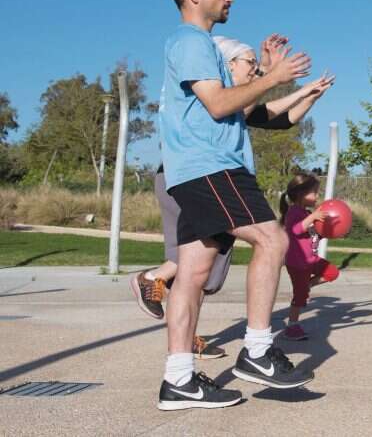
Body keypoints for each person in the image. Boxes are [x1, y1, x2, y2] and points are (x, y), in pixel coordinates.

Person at [157, 0, 315, 411]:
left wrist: (264, 73)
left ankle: (179, 380)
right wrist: (272, 78)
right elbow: (217, 104)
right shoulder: (191, 41)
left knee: (192, 274)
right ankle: (258, 350)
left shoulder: (198, 47)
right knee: (272, 237)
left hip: (195, 168)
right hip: (210, 166)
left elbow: (240, 105)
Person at [130, 34, 334, 347]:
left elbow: (275, 119)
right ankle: (156, 280)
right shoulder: (217, 96)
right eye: (249, 63)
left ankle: (183, 349)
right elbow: (251, 106)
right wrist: (271, 76)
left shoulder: (233, 101)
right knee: (252, 246)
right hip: (193, 178)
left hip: (188, 178)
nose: (254, 68)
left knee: (201, 269)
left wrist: (308, 94)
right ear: (226, 65)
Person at [279, 173, 341, 341]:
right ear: (301, 194)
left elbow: (313, 235)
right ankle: (291, 327)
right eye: (314, 192)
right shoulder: (294, 212)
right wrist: (312, 218)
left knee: (333, 272)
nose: (317, 195)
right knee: (299, 297)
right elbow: (296, 230)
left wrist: (325, 232)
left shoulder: (306, 212)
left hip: (311, 260)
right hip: (298, 263)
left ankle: (307, 285)